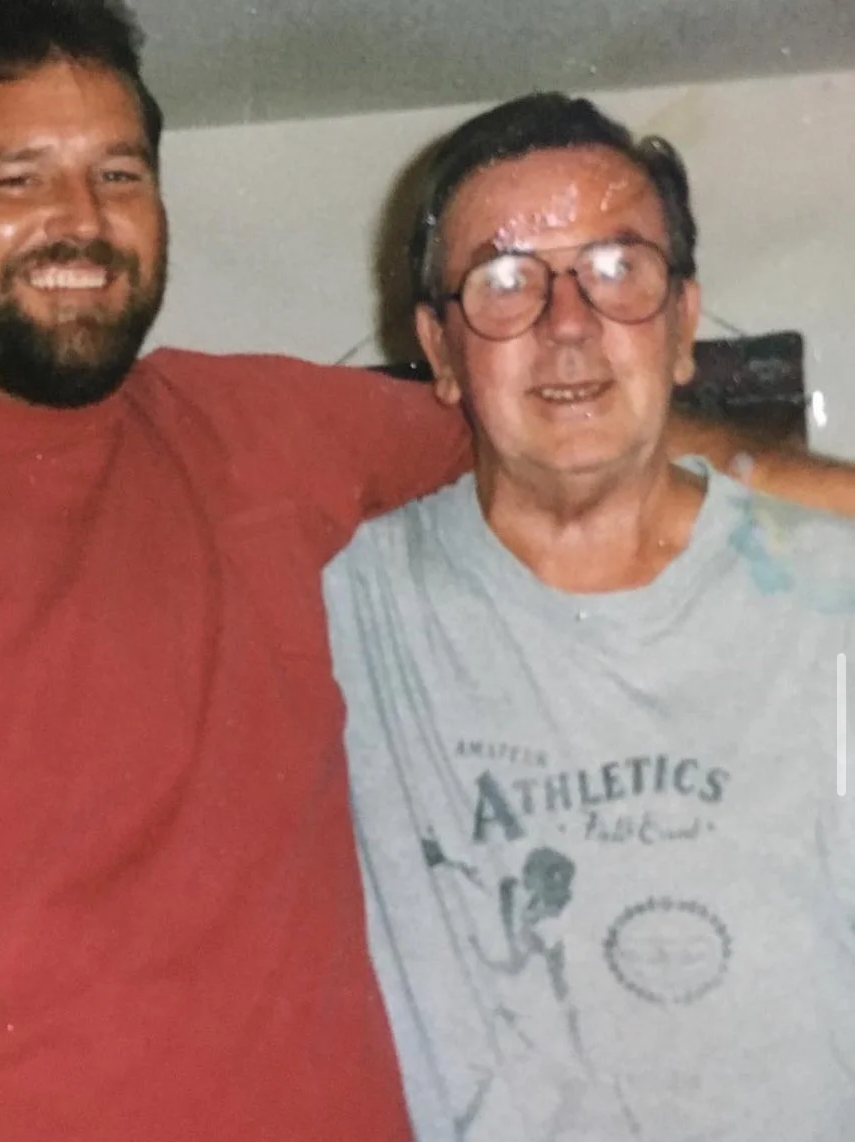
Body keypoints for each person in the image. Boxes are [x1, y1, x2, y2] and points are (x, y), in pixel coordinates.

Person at [0, 2, 473, 1139]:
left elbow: (564, 445)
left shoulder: (256, 429)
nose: (83, 219)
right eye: (17, 179)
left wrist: (759, 473)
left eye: (118, 174)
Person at [323, 92, 855, 1141]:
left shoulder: (835, 594)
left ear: (683, 323)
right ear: (439, 349)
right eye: (505, 280)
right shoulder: (344, 605)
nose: (567, 324)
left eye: (617, 269)